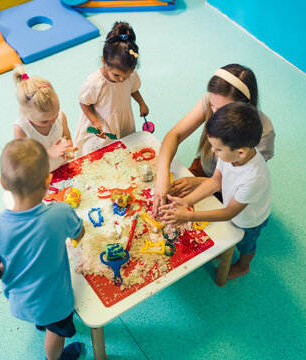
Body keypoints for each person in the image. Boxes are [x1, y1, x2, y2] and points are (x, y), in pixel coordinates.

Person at [0, 138, 86, 360]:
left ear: (3, 183)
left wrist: (3, 267)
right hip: (55, 303)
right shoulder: (61, 213)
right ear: (48, 181)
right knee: (57, 331)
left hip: (19, 302)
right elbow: (80, 233)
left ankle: (41, 323)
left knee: (45, 319)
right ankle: (53, 358)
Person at [159, 102, 271, 280]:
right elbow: (215, 182)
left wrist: (187, 216)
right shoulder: (229, 154)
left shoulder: (254, 178)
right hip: (232, 204)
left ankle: (243, 266)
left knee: (246, 245)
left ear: (241, 153)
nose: (213, 151)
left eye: (217, 149)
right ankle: (228, 251)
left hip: (250, 219)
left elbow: (229, 213)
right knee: (229, 233)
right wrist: (187, 202)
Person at [153, 64, 274, 214]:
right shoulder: (214, 102)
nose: (214, 112)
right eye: (212, 105)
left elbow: (245, 178)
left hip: (231, 188)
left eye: (221, 108)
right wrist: (162, 174)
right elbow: (174, 135)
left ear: (244, 105)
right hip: (206, 171)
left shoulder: (264, 133)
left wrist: (198, 182)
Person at [74, 21, 149, 157]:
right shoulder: (95, 83)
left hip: (122, 119)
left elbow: (133, 89)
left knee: (123, 148)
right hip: (102, 123)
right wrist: (95, 121)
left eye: (126, 76)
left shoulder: (130, 76)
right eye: (117, 75)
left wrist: (142, 104)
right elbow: (84, 103)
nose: (122, 80)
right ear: (104, 62)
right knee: (102, 153)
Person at [13, 66, 77, 172]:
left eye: (55, 114)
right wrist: (48, 154)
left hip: (61, 168)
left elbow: (67, 138)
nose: (52, 122)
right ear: (25, 113)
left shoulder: (61, 116)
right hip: (39, 176)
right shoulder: (21, 129)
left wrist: (67, 148)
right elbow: (23, 160)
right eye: (44, 121)